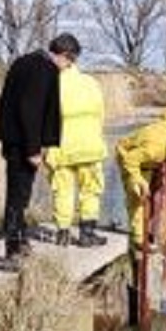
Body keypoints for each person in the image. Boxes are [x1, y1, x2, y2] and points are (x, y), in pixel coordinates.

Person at [0, 32, 80, 263]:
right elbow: (30, 109)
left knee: (19, 194)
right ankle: (13, 251)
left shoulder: (25, 61)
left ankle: (21, 241)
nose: (68, 67)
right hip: (23, 143)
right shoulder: (44, 69)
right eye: (70, 62)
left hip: (12, 138)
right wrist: (33, 149)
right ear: (64, 55)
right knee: (18, 197)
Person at [115, 108, 166, 254]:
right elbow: (130, 160)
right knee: (137, 198)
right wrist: (139, 181)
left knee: (147, 193)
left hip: (147, 160)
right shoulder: (154, 150)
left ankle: (144, 230)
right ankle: (139, 240)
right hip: (129, 156)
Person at [44, 51, 107, 248]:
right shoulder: (90, 82)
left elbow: (45, 118)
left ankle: (63, 234)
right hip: (89, 145)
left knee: (63, 190)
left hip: (62, 147)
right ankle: (87, 234)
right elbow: (101, 114)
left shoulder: (52, 84)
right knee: (90, 190)